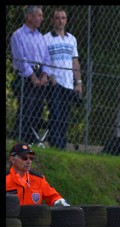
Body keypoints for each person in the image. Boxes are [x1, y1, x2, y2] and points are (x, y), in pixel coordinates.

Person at [10, 5, 53, 145]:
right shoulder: (18, 35)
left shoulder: (41, 37)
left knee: (37, 109)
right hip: (26, 76)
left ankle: (32, 142)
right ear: (29, 17)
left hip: (41, 74)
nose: (42, 18)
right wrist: (33, 77)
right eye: (39, 15)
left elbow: (47, 58)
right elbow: (20, 59)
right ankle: (21, 141)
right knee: (26, 108)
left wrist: (44, 75)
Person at [44, 8, 83, 149]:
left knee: (65, 117)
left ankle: (62, 145)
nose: (60, 21)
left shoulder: (72, 39)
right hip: (54, 83)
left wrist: (78, 82)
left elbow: (75, 62)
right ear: (52, 20)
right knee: (55, 113)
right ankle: (55, 144)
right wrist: (50, 76)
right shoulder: (46, 39)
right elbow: (44, 61)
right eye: (57, 18)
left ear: (66, 20)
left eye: (63, 18)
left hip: (68, 83)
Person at [6, 142, 70, 206]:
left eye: (31, 158)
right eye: (24, 158)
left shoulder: (38, 179)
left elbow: (53, 196)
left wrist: (58, 201)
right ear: (12, 159)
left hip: (33, 216)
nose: (29, 161)